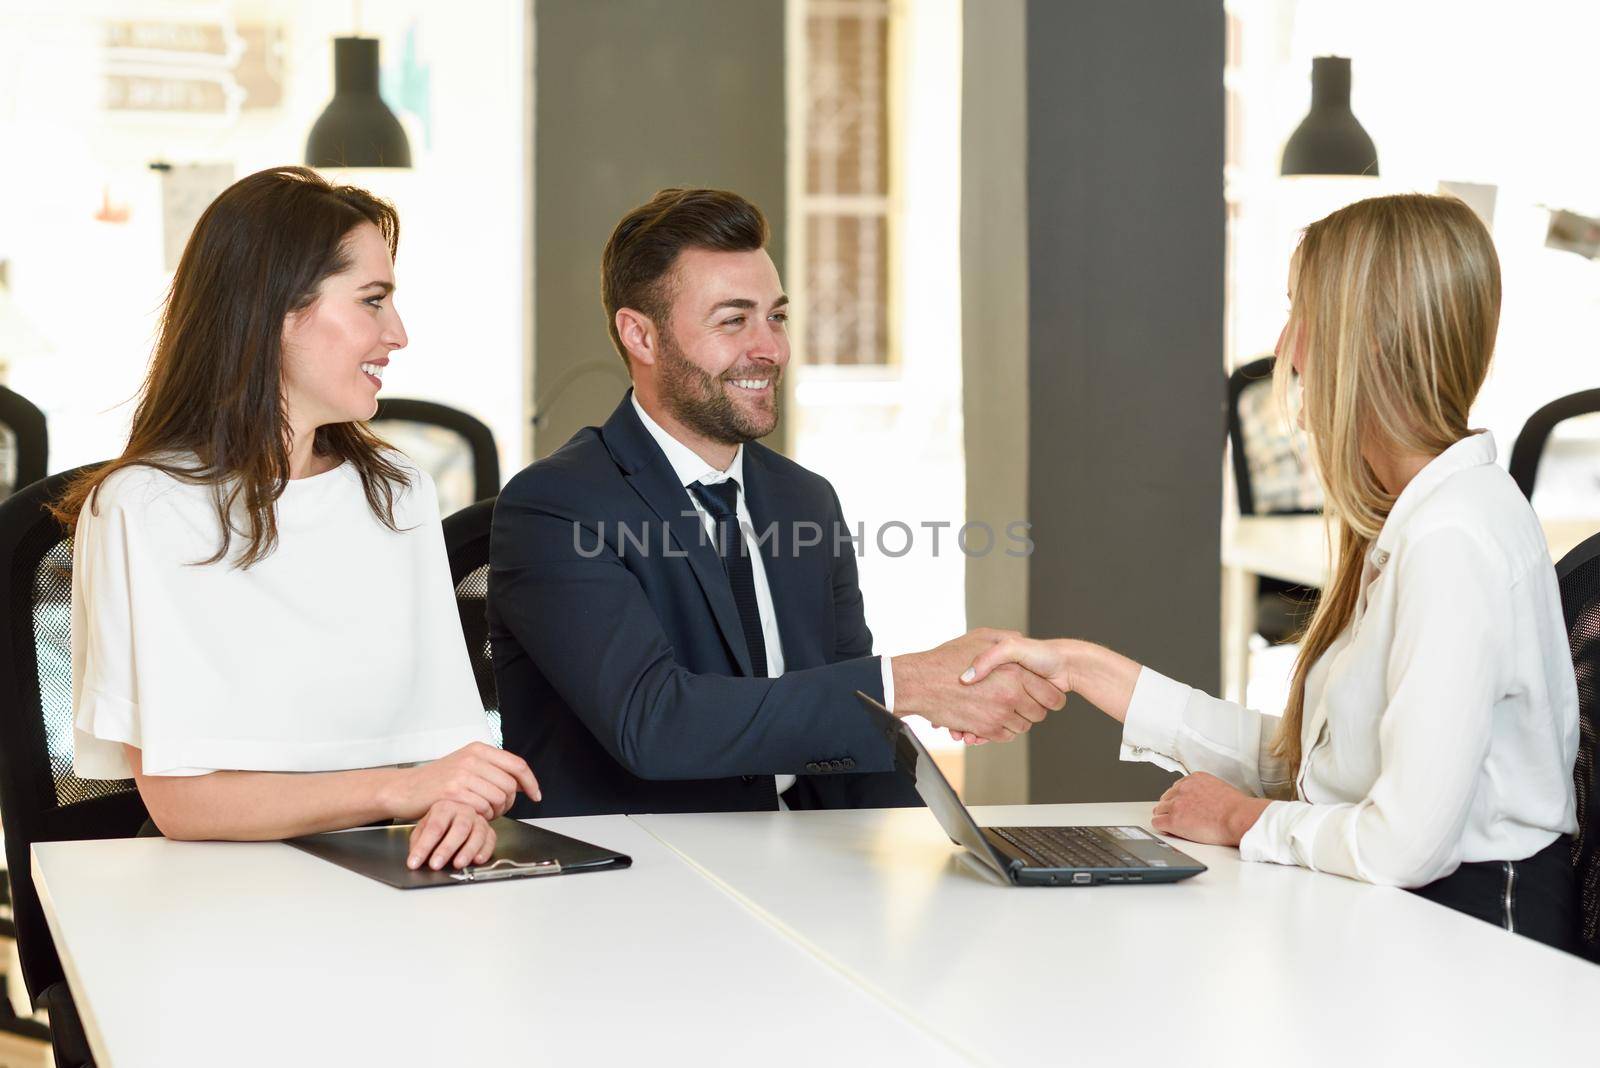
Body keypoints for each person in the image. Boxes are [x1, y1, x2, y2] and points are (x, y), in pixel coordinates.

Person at [964, 194, 1581, 952]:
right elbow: (1319, 769)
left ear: (1371, 340)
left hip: (1481, 942)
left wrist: (1241, 819)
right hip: (1417, 921)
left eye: (1302, 314)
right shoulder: (1420, 517)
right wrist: (1083, 668)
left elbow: (1405, 844)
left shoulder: (1453, 538)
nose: (1286, 350)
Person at [489, 187, 1063, 817]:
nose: (771, 348)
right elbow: (654, 723)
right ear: (641, 336)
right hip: (640, 875)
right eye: (734, 320)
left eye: (777, 317)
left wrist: (936, 848)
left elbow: (861, 731)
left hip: (803, 860)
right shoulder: (556, 506)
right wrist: (908, 683)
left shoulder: (804, 501)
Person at [62, 166, 539, 872]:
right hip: (214, 894)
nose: (397, 333)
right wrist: (404, 790)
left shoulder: (397, 491)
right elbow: (184, 805)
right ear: (274, 311)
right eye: (372, 301)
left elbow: (444, 749)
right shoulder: (143, 508)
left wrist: (456, 809)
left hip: (389, 874)